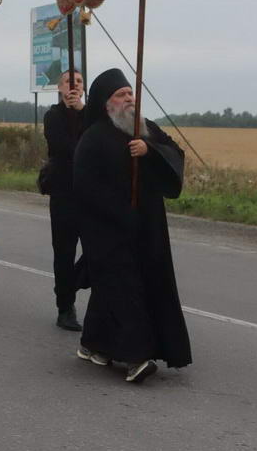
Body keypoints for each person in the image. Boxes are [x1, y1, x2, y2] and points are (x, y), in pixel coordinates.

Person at [72, 68, 191, 384]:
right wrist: (118, 213)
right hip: (108, 227)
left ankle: (94, 343)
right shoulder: (94, 137)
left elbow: (175, 156)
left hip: (148, 225)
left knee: (129, 286)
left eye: (130, 93)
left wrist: (149, 151)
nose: (129, 99)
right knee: (124, 289)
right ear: (105, 103)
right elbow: (84, 187)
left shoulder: (145, 129)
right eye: (120, 95)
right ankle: (136, 357)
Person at [43, 70, 86, 331]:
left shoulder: (92, 115)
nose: (74, 85)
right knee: (64, 251)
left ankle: (72, 284)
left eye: (79, 81)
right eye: (69, 81)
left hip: (91, 193)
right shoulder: (53, 116)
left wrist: (81, 111)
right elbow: (64, 148)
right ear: (60, 87)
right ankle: (65, 306)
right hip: (64, 193)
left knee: (99, 249)